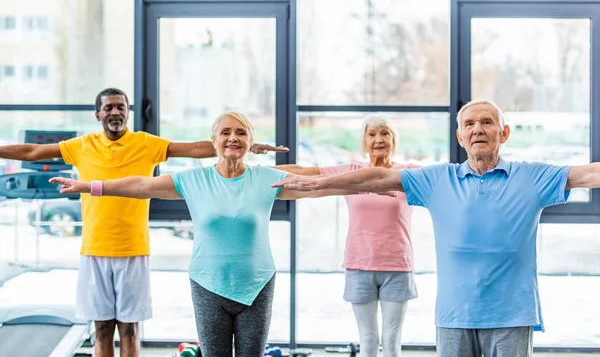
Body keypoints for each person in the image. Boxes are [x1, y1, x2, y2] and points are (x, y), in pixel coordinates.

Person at [272, 99, 600, 357]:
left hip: (512, 314)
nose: (477, 130)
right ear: (460, 136)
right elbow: (377, 176)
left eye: (487, 122)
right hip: (455, 315)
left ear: (504, 133)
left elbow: (589, 174)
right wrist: (320, 184)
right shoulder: (439, 178)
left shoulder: (532, 177)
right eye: (469, 124)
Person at [48, 110, 382, 357]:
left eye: (240, 132)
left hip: (257, 283)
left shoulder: (268, 177)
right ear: (214, 140)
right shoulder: (193, 180)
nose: (232, 138)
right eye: (225, 132)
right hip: (208, 283)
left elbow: (319, 180)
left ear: (250, 141)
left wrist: (371, 181)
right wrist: (89, 186)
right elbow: (141, 184)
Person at [0, 89, 287, 357]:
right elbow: (31, 153)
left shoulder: (145, 143)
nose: (115, 112)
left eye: (121, 107)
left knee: (130, 330)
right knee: (100, 329)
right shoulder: (81, 146)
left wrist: (244, 145)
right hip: (93, 248)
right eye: (109, 107)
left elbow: (194, 148)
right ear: (98, 114)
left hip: (134, 248)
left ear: (128, 112)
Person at [276, 114, 418, 357]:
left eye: (385, 133)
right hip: (359, 264)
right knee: (368, 339)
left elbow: (443, 177)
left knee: (392, 339)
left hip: (397, 265)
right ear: (364, 141)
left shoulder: (407, 173)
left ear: (394, 140)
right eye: (371, 134)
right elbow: (303, 171)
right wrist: (252, 170)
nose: (378, 140)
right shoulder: (350, 172)